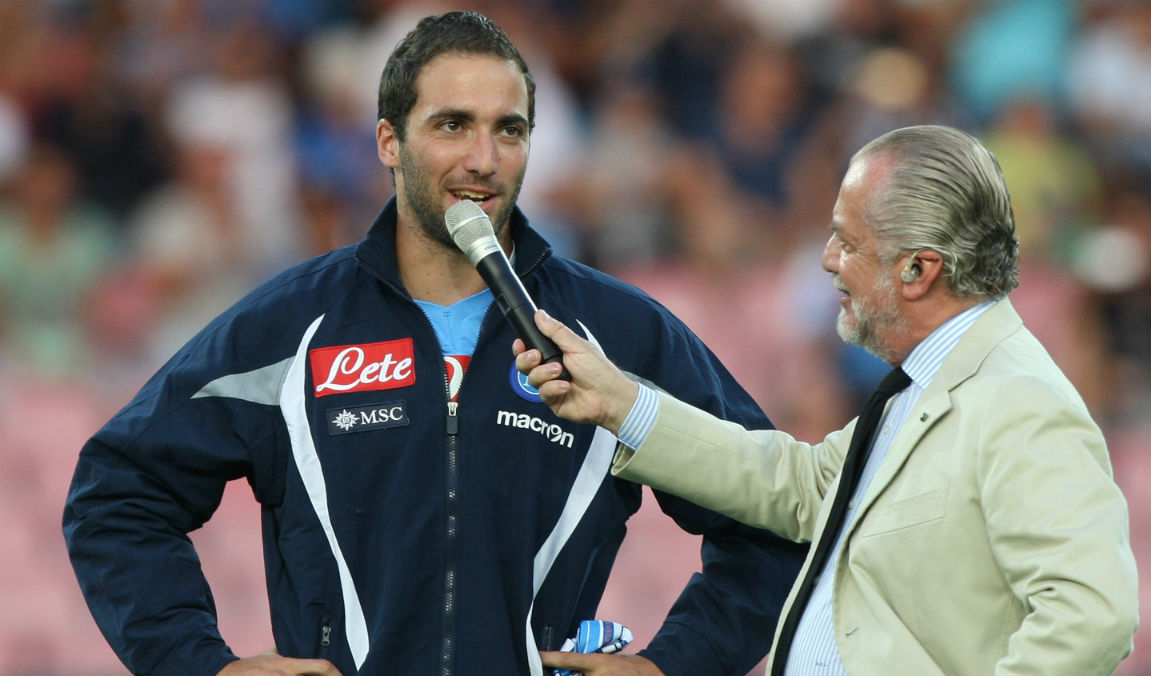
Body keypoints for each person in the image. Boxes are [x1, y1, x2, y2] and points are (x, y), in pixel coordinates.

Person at [62, 11, 805, 676]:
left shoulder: (614, 334)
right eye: (452, 125)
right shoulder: (291, 327)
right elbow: (117, 495)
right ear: (390, 141)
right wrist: (202, 666)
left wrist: (675, 666)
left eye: (508, 129)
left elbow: (774, 517)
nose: (483, 158)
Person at [516, 125, 1140, 675]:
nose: (827, 260)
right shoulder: (922, 385)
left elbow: (1092, 614)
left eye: (848, 241)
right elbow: (805, 486)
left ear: (918, 270)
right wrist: (623, 405)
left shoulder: (1019, 401)